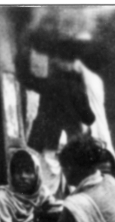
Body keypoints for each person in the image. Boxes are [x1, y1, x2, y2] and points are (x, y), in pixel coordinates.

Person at [17, 49, 96, 197]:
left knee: (46, 177)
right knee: (68, 178)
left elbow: (27, 80)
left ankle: (46, 204)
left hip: (46, 138)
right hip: (66, 140)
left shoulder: (49, 82)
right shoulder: (76, 85)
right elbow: (88, 117)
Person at [0, 148, 56, 222]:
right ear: (12, 175)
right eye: (18, 171)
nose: (23, 176)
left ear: (37, 175)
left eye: (28, 171)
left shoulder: (44, 197)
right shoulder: (1, 199)